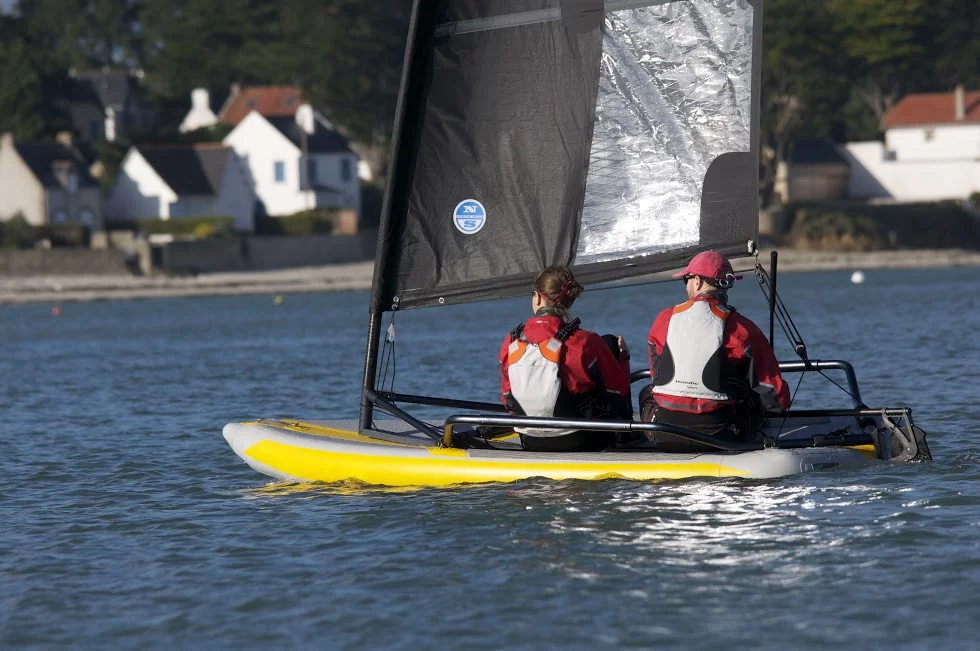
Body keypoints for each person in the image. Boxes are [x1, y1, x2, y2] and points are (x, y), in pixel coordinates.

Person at [640, 250, 790, 452]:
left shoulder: (663, 319)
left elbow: (656, 376)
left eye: (686, 280)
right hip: (720, 436)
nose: (686, 286)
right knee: (751, 397)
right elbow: (777, 400)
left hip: (664, 433)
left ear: (698, 282)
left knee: (645, 393)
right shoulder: (743, 328)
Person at [499, 266, 632, 452]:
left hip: (530, 441)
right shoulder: (586, 341)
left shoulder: (511, 342)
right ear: (569, 300)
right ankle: (628, 438)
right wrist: (623, 357)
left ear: (537, 297)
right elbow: (619, 391)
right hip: (582, 440)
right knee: (609, 342)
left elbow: (508, 401)